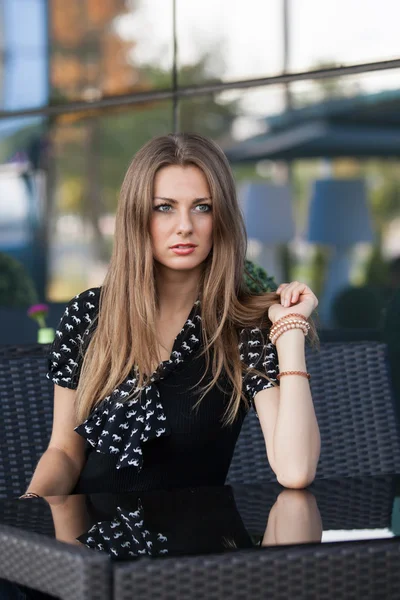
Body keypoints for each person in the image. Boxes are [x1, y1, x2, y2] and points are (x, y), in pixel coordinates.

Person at [21, 133, 320, 498]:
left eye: (202, 207)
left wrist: (289, 333)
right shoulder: (90, 314)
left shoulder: (242, 329)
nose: (185, 226)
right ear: (138, 215)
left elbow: (295, 470)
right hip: (93, 545)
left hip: (196, 550)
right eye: (164, 207)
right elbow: (64, 453)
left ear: (220, 217)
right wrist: (31, 515)